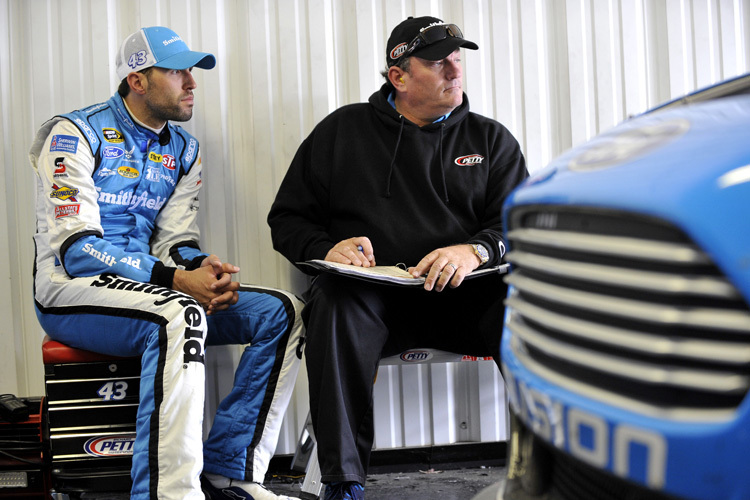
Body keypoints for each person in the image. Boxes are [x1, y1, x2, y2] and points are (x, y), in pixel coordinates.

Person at [29, 26, 303, 500]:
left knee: (285, 311)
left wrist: (202, 269)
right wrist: (177, 280)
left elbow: (176, 240)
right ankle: (169, 493)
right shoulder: (73, 133)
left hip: (150, 286)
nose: (191, 83)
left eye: (191, 71)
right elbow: (76, 250)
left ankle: (231, 474)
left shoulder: (185, 150)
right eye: (177, 72)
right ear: (137, 80)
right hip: (68, 292)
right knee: (180, 312)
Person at [267, 15, 529, 500]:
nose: (455, 71)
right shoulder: (341, 132)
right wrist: (327, 249)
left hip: (468, 300)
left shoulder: (490, 140)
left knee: (530, 308)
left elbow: (520, 224)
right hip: (374, 302)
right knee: (333, 304)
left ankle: (547, 472)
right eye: (437, 62)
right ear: (399, 76)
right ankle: (343, 482)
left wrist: (475, 250)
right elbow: (287, 220)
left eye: (457, 59)